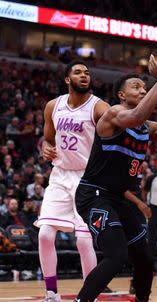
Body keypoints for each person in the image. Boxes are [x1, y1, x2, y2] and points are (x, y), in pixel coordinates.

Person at [74, 56, 157, 302]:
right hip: (95, 195)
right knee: (116, 256)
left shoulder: (148, 127)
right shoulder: (113, 114)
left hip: (121, 199)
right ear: (121, 95)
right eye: (136, 87)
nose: (143, 90)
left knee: (144, 258)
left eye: (145, 87)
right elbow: (136, 117)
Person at [35, 60, 110, 302]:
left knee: (83, 240)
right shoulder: (52, 106)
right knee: (45, 234)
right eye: (78, 72)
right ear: (68, 79)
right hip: (60, 175)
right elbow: (48, 139)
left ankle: (90, 295)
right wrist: (46, 149)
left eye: (87, 72)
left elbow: (115, 135)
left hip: (87, 178)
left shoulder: (98, 107)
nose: (84, 75)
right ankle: (51, 293)